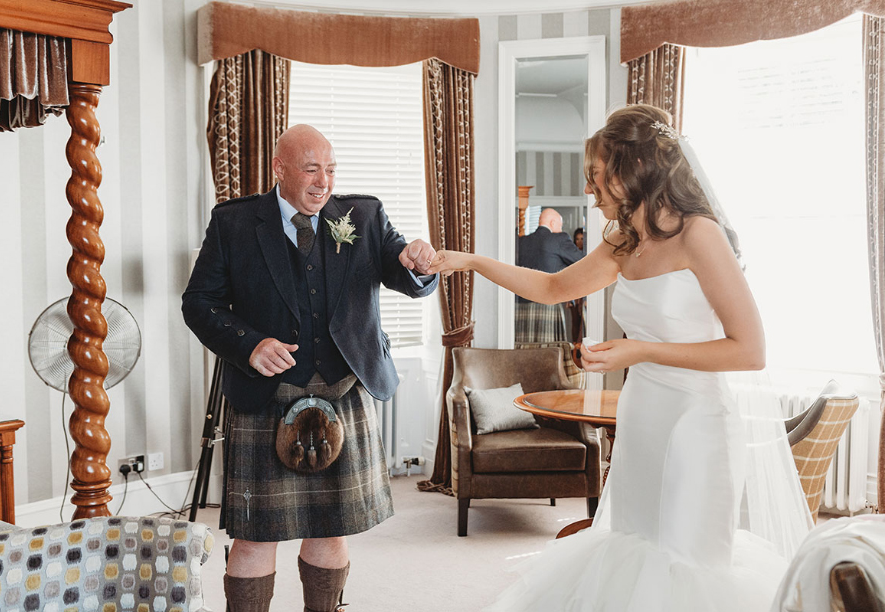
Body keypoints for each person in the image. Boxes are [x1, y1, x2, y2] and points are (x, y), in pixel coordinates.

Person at [428, 104, 811, 611]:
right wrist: (473, 261)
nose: (590, 190)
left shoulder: (700, 235)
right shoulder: (623, 240)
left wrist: (641, 350)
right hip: (643, 417)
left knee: (686, 566)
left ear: (633, 169)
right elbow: (551, 286)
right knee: (635, 555)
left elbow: (750, 350)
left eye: (596, 176)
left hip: (696, 426)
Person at [182, 124, 438, 612]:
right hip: (267, 394)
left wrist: (419, 263)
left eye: (331, 169)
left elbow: (404, 270)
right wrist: (250, 345)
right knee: (256, 536)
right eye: (311, 169)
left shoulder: (363, 214)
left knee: (331, 526)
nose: (324, 181)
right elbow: (199, 303)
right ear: (280, 169)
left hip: (343, 388)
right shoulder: (234, 223)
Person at [515, 209, 583, 343]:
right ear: (553, 222)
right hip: (548, 304)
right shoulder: (559, 239)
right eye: (560, 225)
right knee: (549, 353)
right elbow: (582, 261)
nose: (561, 229)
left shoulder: (521, 242)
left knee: (523, 352)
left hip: (521, 305)